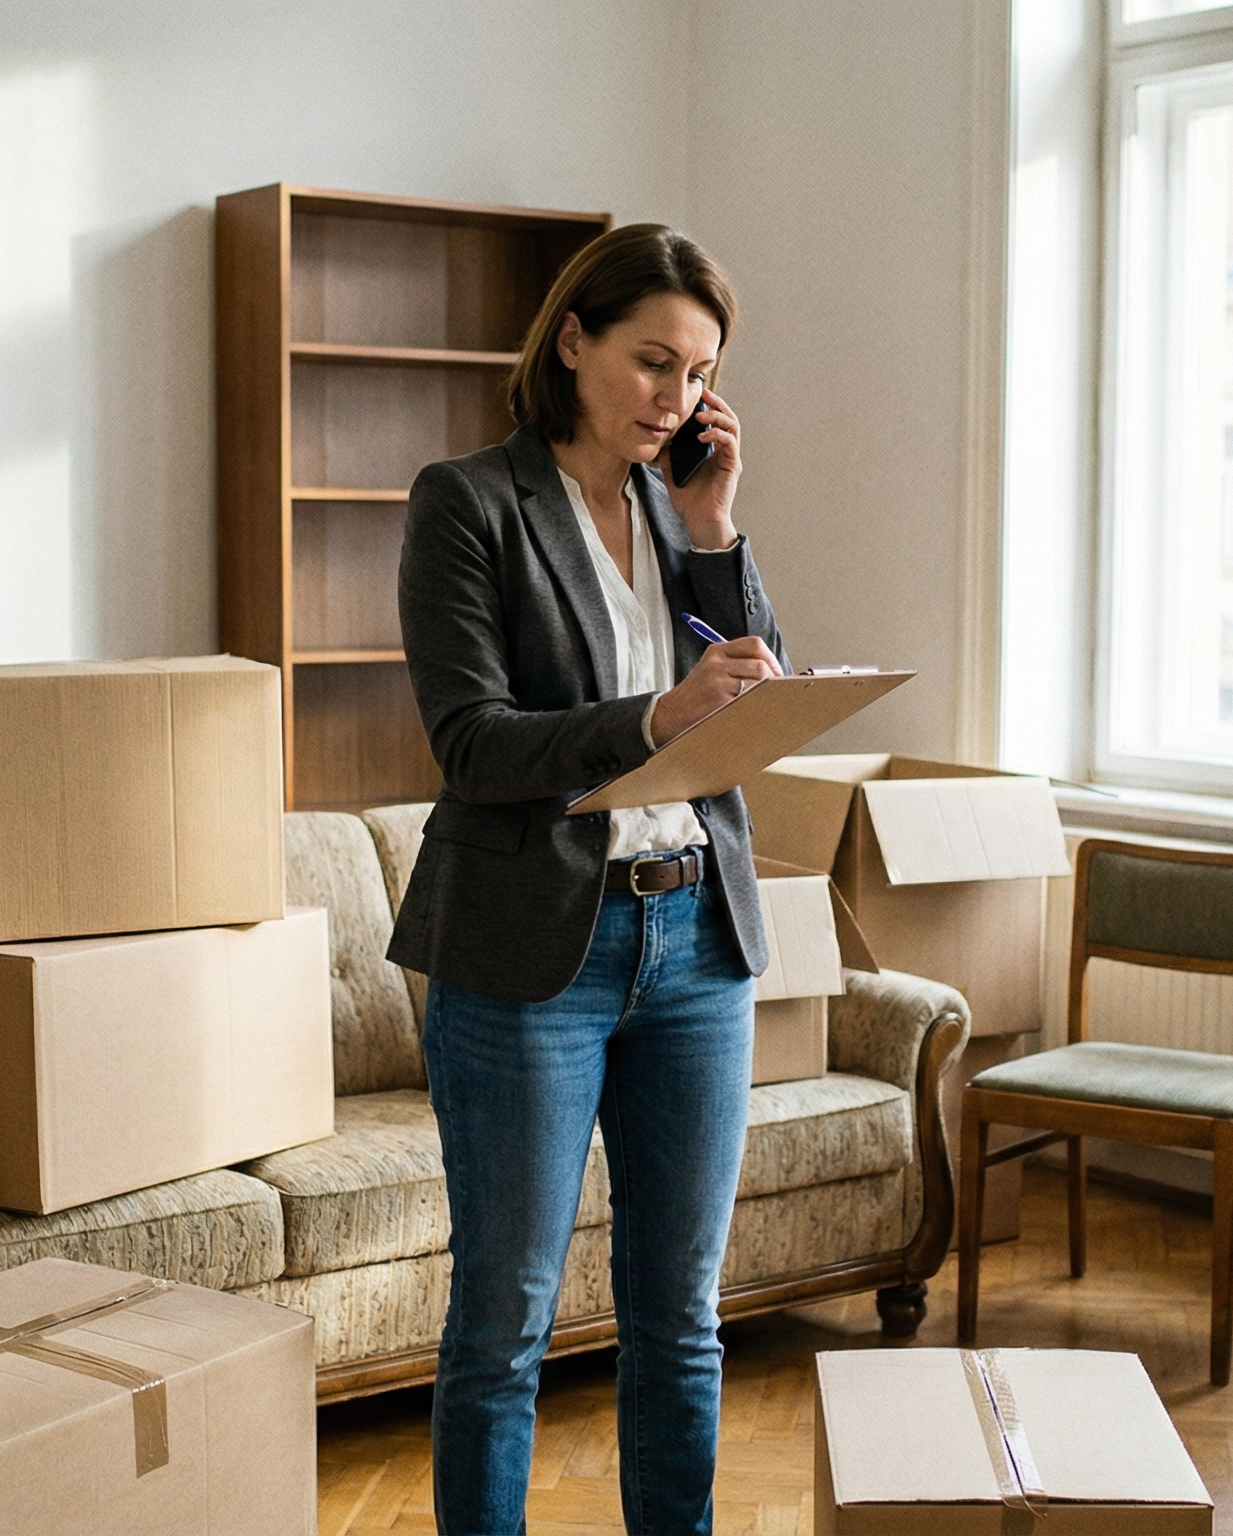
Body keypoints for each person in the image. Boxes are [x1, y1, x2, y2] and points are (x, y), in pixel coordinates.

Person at [389, 224, 785, 1536]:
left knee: (680, 1318)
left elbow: (753, 688)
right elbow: (471, 743)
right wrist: (652, 722)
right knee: (502, 1325)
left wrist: (717, 530)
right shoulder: (471, 501)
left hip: (696, 944)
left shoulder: (682, 517)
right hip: (530, 959)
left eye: (699, 372)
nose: (673, 398)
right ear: (573, 342)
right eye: (651, 362)